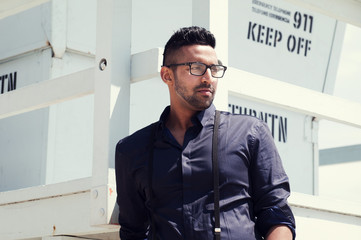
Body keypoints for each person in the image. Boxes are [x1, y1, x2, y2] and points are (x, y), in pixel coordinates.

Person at [115, 26, 296, 240]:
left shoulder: (250, 133)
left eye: (214, 68)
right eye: (197, 67)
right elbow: (133, 231)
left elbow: (276, 215)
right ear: (167, 75)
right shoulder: (132, 150)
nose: (208, 78)